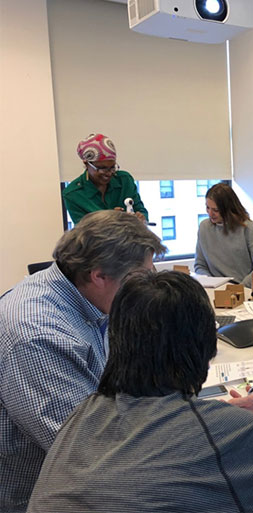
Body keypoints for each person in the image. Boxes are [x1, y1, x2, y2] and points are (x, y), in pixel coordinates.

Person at [27, 270, 253, 512]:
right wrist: (222, 427)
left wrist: (211, 421)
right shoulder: (227, 433)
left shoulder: (85, 411)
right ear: (205, 345)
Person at [0, 211, 166, 512]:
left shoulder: (78, 297)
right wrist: (195, 437)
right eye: (139, 278)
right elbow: (89, 453)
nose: (145, 288)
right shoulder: (39, 336)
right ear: (99, 276)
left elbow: (109, 400)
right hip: (42, 497)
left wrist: (194, 419)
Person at [62, 133, 149, 224]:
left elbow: (140, 210)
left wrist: (142, 219)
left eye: (112, 167)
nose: (108, 173)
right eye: (102, 168)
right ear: (86, 164)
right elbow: (83, 232)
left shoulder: (124, 180)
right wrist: (109, 220)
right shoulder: (73, 194)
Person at [194, 182, 253, 288]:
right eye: (207, 208)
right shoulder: (204, 227)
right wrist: (211, 284)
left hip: (244, 289)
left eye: (216, 210)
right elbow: (200, 265)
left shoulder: (247, 228)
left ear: (228, 209)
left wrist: (238, 289)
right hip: (216, 290)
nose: (210, 213)